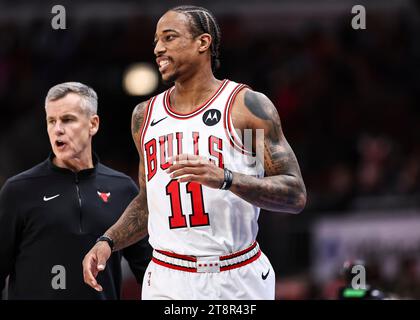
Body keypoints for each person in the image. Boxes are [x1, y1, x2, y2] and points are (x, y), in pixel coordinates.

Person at [83, 5, 306, 300]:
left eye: (169, 38)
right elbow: (148, 200)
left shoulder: (246, 107)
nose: (158, 49)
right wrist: (108, 241)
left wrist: (226, 178)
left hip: (237, 275)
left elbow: (295, 194)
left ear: (203, 42)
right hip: (167, 277)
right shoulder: (144, 116)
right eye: (156, 42)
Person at [0, 82, 151, 300]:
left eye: (68, 119)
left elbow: (149, 273)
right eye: (51, 121)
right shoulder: (18, 190)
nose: (58, 129)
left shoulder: (123, 189)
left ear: (93, 124)